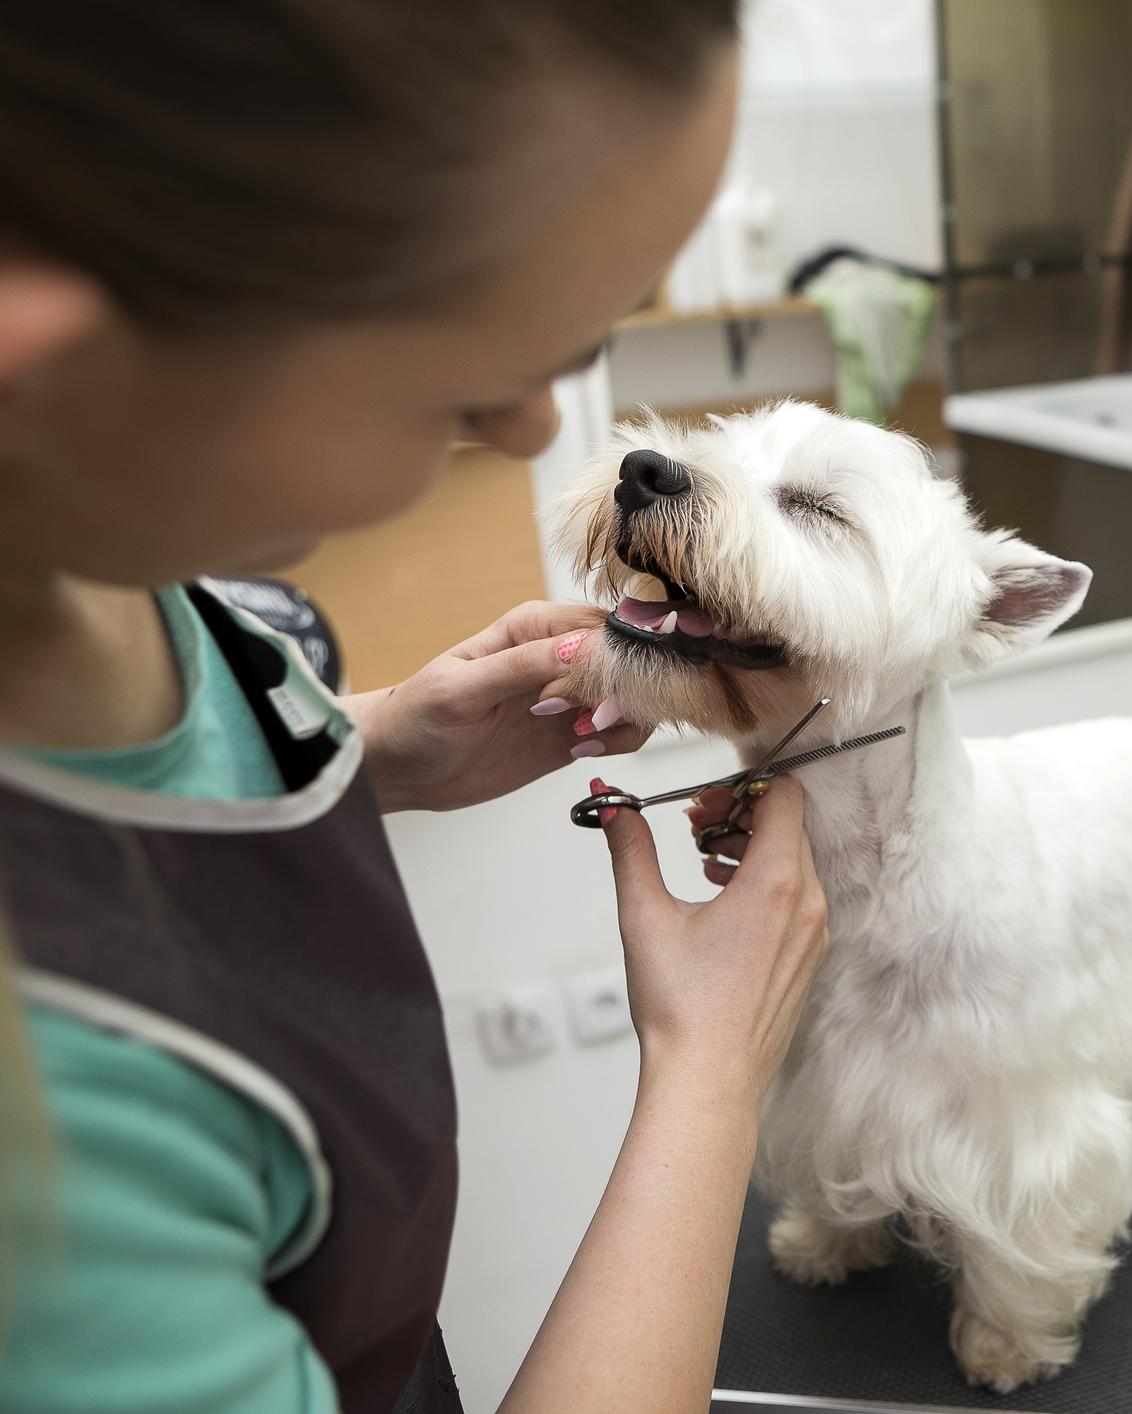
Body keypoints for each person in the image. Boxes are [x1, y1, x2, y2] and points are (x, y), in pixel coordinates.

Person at [0, 4, 831, 1410]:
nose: (523, 435)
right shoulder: (51, 1170)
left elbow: (144, 792)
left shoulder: (92, 545)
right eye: (481, 382)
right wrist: (710, 1072)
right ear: (49, 368)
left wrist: (366, 747)